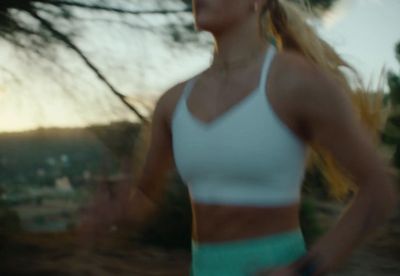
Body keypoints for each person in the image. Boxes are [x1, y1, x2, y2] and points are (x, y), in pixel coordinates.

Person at [80, 0, 397, 275]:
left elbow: (378, 191)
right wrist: (118, 214)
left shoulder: (297, 82)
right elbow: (145, 199)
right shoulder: (172, 103)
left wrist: (305, 270)